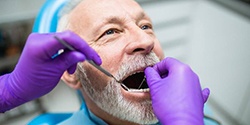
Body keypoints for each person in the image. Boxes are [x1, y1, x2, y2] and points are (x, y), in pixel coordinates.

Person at [0, 0, 209, 124]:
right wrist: (8, 91)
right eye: (110, 32)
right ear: (72, 71)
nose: (146, 41)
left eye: (145, 26)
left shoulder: (193, 111)